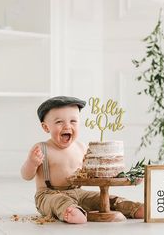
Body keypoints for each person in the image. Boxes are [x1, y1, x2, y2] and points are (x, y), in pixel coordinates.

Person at [21, 96, 144, 224]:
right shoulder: (41, 149)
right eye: (59, 122)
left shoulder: (81, 147)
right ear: (46, 127)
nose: (67, 126)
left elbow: (90, 173)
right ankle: (69, 211)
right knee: (58, 201)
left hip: (78, 192)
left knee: (102, 198)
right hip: (48, 194)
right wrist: (32, 162)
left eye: (73, 121)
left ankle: (133, 208)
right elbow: (26, 175)